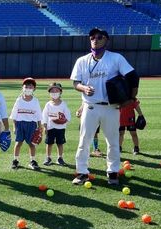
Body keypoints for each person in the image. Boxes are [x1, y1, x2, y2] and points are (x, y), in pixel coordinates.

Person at [70, 28, 139, 185]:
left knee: (113, 141)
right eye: (92, 37)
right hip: (90, 106)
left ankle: (113, 172)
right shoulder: (82, 60)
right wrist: (84, 88)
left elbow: (133, 76)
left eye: (99, 37)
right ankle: (82, 172)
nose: (95, 39)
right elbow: (75, 82)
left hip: (111, 107)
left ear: (106, 40)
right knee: (84, 141)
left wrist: (131, 98)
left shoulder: (115, 58)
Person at [9, 78, 42, 171]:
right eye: (26, 86)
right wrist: (14, 126)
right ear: (22, 88)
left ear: (34, 89)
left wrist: (40, 127)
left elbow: (39, 115)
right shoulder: (19, 100)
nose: (28, 88)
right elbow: (14, 115)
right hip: (20, 124)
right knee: (18, 142)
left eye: (30, 86)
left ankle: (32, 161)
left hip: (31, 124)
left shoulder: (35, 101)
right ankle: (15, 160)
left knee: (32, 144)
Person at [42, 82, 71, 166]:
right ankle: (48, 157)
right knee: (49, 143)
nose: (54, 93)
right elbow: (44, 116)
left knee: (60, 143)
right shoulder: (48, 105)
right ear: (49, 93)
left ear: (60, 92)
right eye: (52, 91)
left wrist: (63, 120)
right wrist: (45, 126)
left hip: (60, 128)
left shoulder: (63, 104)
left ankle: (60, 158)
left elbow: (68, 116)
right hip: (50, 127)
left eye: (56, 90)